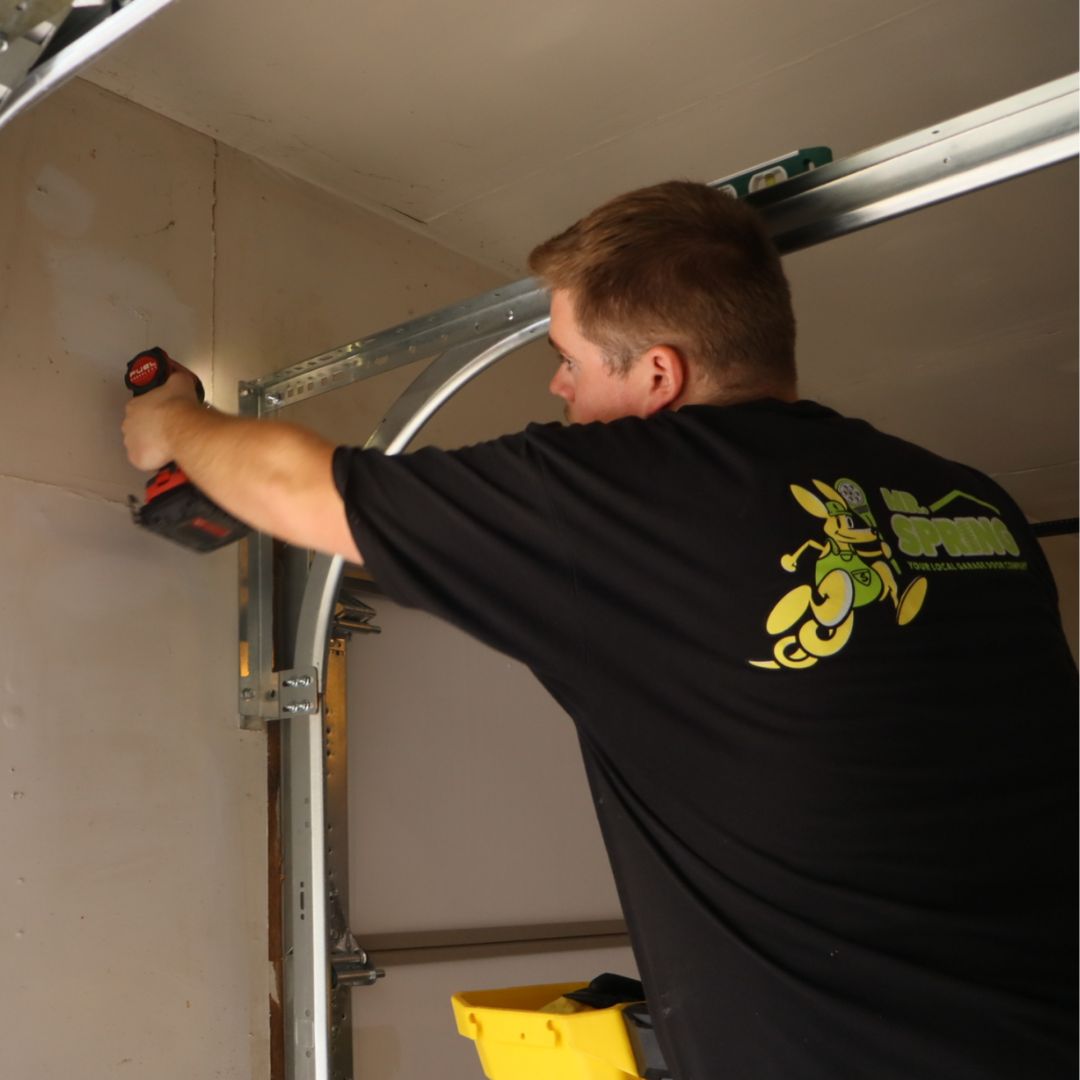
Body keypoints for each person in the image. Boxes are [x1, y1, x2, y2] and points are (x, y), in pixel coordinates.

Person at [123, 181, 1077, 1079]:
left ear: (660, 375)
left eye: (569, 360)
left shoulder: (647, 493)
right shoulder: (972, 503)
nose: (558, 390)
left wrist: (173, 425)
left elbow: (304, 487)